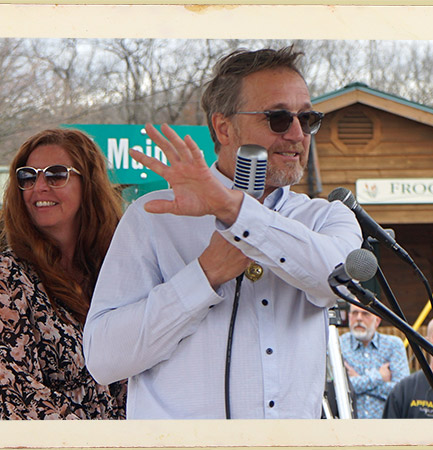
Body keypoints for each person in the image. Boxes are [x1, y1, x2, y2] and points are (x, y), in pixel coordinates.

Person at [83, 46, 363, 419]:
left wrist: (234, 212)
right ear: (223, 127)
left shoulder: (327, 217)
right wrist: (204, 275)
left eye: (308, 118)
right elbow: (103, 359)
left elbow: (336, 280)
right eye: (278, 118)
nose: (297, 133)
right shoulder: (154, 216)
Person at [0, 128, 126, 420]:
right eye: (28, 176)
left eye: (56, 175)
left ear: (88, 184)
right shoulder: (4, 275)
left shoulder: (116, 270)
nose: (39, 186)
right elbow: (14, 387)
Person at [339, 304, 409, 418]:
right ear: (349, 316)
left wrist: (357, 381)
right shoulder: (339, 345)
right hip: (348, 427)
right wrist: (379, 377)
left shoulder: (393, 346)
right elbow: (339, 390)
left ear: (377, 321)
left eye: (365, 313)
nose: (359, 318)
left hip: (386, 427)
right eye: (355, 313)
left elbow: (401, 393)